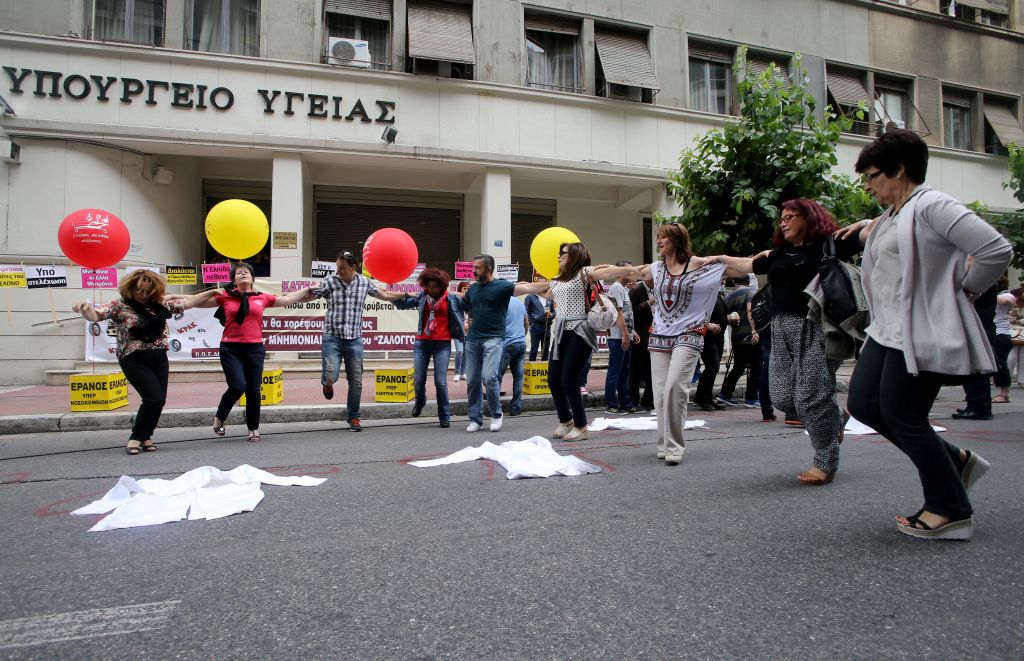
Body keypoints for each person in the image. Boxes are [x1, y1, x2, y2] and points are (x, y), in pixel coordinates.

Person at [843, 128, 1011, 540]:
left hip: (918, 333)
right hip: (886, 331)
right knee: (864, 405)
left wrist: (967, 289)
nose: (868, 186)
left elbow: (996, 250)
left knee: (904, 416)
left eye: (874, 176)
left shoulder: (933, 204)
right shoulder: (894, 214)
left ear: (900, 170)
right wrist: (868, 224)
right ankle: (953, 461)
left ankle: (949, 510)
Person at [713, 199, 865, 485]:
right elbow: (746, 264)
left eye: (791, 217)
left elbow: (872, 234)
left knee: (810, 397)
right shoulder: (779, 253)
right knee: (782, 397)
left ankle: (825, 462)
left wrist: (867, 224)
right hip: (780, 327)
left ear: (809, 218)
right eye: (782, 218)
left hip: (818, 327)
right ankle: (834, 415)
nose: (783, 222)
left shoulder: (829, 244)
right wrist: (715, 261)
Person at [73, 270, 218, 454]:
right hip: (133, 358)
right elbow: (96, 315)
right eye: (139, 291)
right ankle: (135, 437)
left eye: (147, 292)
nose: (143, 295)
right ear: (130, 289)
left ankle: (146, 436)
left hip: (158, 357)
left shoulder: (159, 304)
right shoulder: (119, 306)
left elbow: (188, 302)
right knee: (152, 398)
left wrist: (213, 292)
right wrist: (85, 308)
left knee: (159, 400)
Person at [516, 244, 642, 441]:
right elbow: (542, 291)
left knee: (569, 380)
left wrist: (640, 270)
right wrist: (511, 288)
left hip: (580, 332)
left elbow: (613, 271)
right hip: (560, 333)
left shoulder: (585, 272)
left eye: (562, 253)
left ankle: (581, 425)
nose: (558, 256)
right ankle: (566, 420)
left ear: (574, 255)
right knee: (553, 379)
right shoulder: (558, 280)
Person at [636, 224, 730, 464]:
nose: (658, 241)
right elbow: (628, 271)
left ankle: (675, 445)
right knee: (659, 392)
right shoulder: (656, 268)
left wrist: (763, 260)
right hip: (659, 335)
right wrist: (589, 272)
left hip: (688, 334)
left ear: (676, 240)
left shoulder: (696, 264)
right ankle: (664, 442)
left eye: (663, 237)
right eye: (657, 237)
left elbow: (728, 264)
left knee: (675, 386)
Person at [197, 262, 314, 441]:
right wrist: (178, 301)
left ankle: (253, 428)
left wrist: (309, 289)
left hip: (255, 348)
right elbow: (198, 303)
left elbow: (289, 299)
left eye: (246, 272)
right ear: (234, 279)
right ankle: (220, 417)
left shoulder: (262, 297)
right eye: (239, 273)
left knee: (253, 390)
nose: (243, 274)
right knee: (237, 386)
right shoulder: (226, 297)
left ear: (252, 278)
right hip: (231, 348)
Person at [312, 251, 408, 432]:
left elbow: (384, 295)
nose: (338, 271)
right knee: (331, 374)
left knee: (356, 381)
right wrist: (290, 298)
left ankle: (353, 418)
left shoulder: (364, 282)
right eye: (337, 267)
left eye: (342, 268)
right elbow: (311, 295)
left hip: (354, 339)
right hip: (332, 337)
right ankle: (327, 383)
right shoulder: (330, 281)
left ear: (353, 267)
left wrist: (404, 295)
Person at [393, 268, 465, 428]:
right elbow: (402, 305)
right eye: (429, 286)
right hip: (422, 344)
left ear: (442, 286)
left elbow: (470, 303)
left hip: (442, 344)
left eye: (435, 287)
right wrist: (395, 294)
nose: (431, 290)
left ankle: (444, 415)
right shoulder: (422, 297)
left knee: (440, 382)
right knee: (418, 380)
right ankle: (420, 401)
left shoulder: (451, 299)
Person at [460, 255, 520, 432]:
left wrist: (553, 283)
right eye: (473, 267)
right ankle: (475, 419)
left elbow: (526, 287)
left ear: (489, 269)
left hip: (494, 338)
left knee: (489, 377)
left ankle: (496, 415)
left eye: (477, 267)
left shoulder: (502, 286)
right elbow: (464, 302)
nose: (474, 270)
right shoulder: (473, 289)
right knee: (472, 380)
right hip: (472, 340)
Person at [718, 274, 762, 408]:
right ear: (748, 282)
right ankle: (752, 398)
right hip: (749, 336)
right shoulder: (750, 292)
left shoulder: (729, 296)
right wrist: (754, 330)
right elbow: (750, 311)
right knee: (755, 368)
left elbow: (727, 316)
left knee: (738, 367)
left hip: (737, 337)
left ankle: (725, 394)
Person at [604, 259, 640, 414]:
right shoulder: (617, 288)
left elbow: (627, 314)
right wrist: (626, 335)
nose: (632, 273)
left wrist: (633, 333)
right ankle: (611, 403)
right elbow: (618, 314)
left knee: (623, 371)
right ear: (619, 272)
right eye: (629, 270)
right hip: (617, 337)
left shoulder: (624, 289)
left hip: (625, 335)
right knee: (615, 371)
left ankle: (626, 402)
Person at [693, 284, 728, 412]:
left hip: (719, 335)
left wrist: (729, 319)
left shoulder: (719, 293)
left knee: (714, 368)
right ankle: (700, 397)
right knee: (712, 366)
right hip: (707, 336)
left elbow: (723, 313)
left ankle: (708, 397)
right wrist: (707, 324)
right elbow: (694, 314)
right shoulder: (703, 292)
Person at [989, 282, 1021, 404]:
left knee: (1001, 364)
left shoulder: (1007, 295)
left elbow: (1006, 302)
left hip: (1001, 334)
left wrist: (985, 295)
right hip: (989, 333)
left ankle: (1004, 394)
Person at [497, 296, 529, 416]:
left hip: (506, 344)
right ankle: (515, 408)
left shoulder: (500, 302)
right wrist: (522, 336)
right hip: (520, 344)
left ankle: (496, 408)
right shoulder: (519, 303)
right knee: (518, 378)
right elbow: (526, 322)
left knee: (496, 377)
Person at [627, 279, 655, 412]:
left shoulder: (656, 290)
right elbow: (630, 311)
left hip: (654, 335)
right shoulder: (636, 290)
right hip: (640, 336)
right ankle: (633, 400)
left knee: (652, 371)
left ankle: (648, 400)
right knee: (636, 371)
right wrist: (647, 303)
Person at [453, 281, 471, 381]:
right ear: (460, 290)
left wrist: (469, 325)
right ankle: (457, 372)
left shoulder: (471, 301)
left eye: (468, 289)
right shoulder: (456, 300)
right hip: (458, 330)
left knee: (466, 352)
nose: (466, 291)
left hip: (468, 331)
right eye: (464, 289)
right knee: (459, 351)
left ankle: (463, 372)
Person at [524, 292, 549, 362]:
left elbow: (553, 311)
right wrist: (531, 323)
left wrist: (552, 315)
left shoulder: (549, 297)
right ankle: (532, 368)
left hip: (547, 326)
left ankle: (545, 369)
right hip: (535, 326)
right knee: (534, 349)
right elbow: (526, 311)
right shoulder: (530, 297)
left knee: (546, 349)